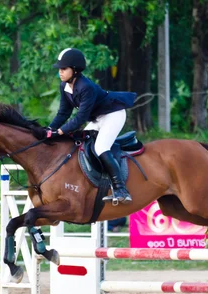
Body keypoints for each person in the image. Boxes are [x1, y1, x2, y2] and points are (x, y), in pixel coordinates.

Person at [39, 48, 137, 204]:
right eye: (59, 69)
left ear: (75, 70)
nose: (60, 72)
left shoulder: (86, 87)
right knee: (81, 147)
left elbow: (80, 118)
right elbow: (63, 113)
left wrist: (60, 131)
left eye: (64, 69)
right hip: (98, 117)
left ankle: (120, 189)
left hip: (113, 114)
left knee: (100, 148)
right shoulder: (64, 86)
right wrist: (49, 129)